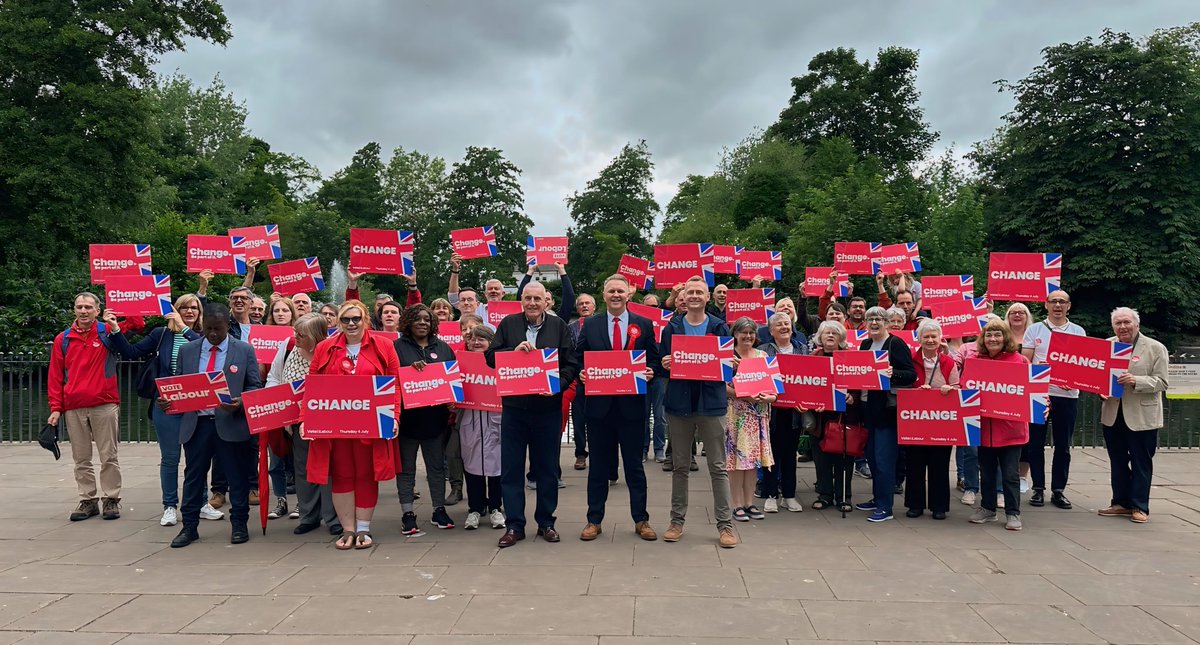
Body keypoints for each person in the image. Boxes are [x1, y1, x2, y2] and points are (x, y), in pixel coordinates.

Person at [105, 294, 225, 526]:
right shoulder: (161, 334)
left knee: (197, 459)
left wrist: (184, 329)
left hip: (195, 404)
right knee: (170, 458)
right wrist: (114, 329)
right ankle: (169, 505)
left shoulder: (203, 335)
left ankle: (200, 503)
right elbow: (131, 352)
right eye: (184, 308)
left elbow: (206, 352)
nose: (189, 311)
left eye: (194, 308)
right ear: (175, 310)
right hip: (166, 403)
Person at [485, 282, 579, 548]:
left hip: (547, 410)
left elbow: (571, 363)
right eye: (528, 298)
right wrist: (510, 353)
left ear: (546, 302)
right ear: (521, 300)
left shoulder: (559, 325)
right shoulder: (508, 324)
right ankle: (515, 525)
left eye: (538, 298)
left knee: (547, 469)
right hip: (514, 410)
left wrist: (558, 385)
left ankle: (546, 522)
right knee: (512, 470)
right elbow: (490, 357)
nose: (533, 303)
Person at [305, 300, 401, 550]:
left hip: (370, 422)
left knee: (367, 474)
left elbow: (395, 384)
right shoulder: (324, 348)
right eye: (345, 319)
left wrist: (394, 417)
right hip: (336, 423)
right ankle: (347, 529)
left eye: (356, 318)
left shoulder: (384, 345)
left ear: (365, 319)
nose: (351, 324)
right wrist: (308, 419)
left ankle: (364, 529)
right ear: (337, 321)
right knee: (341, 475)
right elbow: (313, 385)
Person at [169, 303, 263, 547]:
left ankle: (239, 524)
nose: (212, 334)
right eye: (208, 328)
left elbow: (254, 386)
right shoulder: (189, 350)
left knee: (237, 477)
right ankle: (189, 527)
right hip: (197, 424)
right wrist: (167, 400)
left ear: (226, 327)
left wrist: (240, 402)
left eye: (218, 329)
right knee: (193, 477)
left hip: (230, 422)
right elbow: (179, 384)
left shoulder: (243, 350)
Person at [577, 275, 661, 542]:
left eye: (620, 291)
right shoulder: (589, 325)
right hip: (599, 409)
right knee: (599, 468)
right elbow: (578, 357)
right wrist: (581, 372)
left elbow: (655, 360)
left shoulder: (644, 325)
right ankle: (593, 520)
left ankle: (641, 520)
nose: (615, 295)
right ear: (604, 295)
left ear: (629, 295)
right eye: (611, 290)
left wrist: (651, 372)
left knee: (634, 467)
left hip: (632, 408)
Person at [659, 277, 738, 548]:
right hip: (679, 404)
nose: (694, 296)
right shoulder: (672, 328)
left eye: (699, 292)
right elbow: (661, 362)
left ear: (707, 297)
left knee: (717, 467)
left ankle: (725, 526)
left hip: (711, 404)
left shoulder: (718, 327)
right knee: (680, 466)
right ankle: (676, 521)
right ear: (683, 296)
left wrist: (731, 364)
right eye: (689, 291)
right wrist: (665, 362)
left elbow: (726, 367)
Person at [47, 293, 125, 521]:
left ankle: (111, 498)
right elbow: (54, 376)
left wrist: (118, 311)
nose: (83, 311)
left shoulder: (107, 332)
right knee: (81, 458)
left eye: (88, 307)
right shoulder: (63, 339)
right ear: (74, 310)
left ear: (97, 310)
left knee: (108, 455)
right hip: (74, 405)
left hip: (104, 402)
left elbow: (137, 323)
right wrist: (55, 407)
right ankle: (88, 499)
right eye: (79, 307)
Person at [267, 313, 341, 536]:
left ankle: (333, 516)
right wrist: (277, 400)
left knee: (330, 470)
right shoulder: (288, 347)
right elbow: (274, 377)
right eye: (295, 333)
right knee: (303, 468)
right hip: (295, 424)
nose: (296, 337)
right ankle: (309, 515)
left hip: (328, 424)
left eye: (302, 335)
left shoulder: (333, 352)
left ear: (318, 336)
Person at [1099, 307, 1169, 524]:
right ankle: (1120, 502)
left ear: (1137, 324)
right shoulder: (1106, 345)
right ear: (1113, 326)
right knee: (1117, 460)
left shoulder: (1155, 348)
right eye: (1118, 323)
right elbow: (1097, 374)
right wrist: (1099, 389)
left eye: (1127, 322)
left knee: (1141, 462)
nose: (1123, 327)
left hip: (1142, 415)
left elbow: (1162, 382)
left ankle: (1140, 506)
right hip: (1113, 412)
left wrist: (1136, 380)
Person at [393, 304, 457, 534]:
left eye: (427, 320)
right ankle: (407, 513)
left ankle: (438, 509)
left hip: (436, 420)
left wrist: (452, 400)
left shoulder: (444, 348)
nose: (422, 323)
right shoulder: (396, 347)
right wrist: (408, 371)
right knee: (406, 469)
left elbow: (452, 380)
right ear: (408, 322)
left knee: (437, 468)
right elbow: (389, 379)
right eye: (418, 319)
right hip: (407, 420)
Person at [1021, 289, 1086, 509]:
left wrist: (1075, 380)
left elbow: (1082, 365)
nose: (1057, 305)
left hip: (1067, 395)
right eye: (1053, 301)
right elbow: (1025, 363)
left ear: (1069, 305)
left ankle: (1059, 490)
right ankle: (1038, 488)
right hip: (1040, 394)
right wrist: (1035, 371)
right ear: (1046, 305)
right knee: (1035, 444)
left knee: (1063, 445)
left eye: (1062, 302)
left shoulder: (1078, 331)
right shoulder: (1035, 329)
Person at [855, 306, 917, 522]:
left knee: (884, 460)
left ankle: (885, 507)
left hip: (888, 412)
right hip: (869, 409)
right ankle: (877, 497)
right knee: (872, 457)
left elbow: (911, 374)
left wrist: (893, 373)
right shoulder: (866, 344)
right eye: (870, 319)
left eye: (878, 319)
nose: (874, 323)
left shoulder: (896, 344)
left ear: (887, 322)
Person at [970, 319, 1029, 531]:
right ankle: (988, 508)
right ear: (983, 339)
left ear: (1006, 338)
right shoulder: (975, 360)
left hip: (1011, 429)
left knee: (1010, 474)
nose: (993, 339)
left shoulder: (1020, 361)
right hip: (984, 428)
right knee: (985, 473)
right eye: (989, 335)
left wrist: (1045, 404)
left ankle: (1013, 513)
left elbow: (1032, 391)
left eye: (997, 335)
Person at [904, 320, 959, 520]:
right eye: (925, 336)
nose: (930, 340)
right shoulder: (910, 359)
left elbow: (958, 387)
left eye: (933, 336)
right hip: (915, 420)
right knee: (915, 463)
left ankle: (939, 506)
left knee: (940, 463)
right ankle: (915, 504)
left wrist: (950, 389)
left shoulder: (948, 362)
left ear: (940, 339)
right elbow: (902, 385)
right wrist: (915, 392)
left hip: (941, 422)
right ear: (919, 339)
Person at [724, 316, 776, 522]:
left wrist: (769, 397)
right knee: (735, 462)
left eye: (751, 333)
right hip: (735, 415)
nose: (747, 336)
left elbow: (775, 388)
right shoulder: (728, 357)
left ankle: (749, 503)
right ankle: (736, 504)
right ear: (735, 334)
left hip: (758, 416)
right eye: (743, 332)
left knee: (752, 461)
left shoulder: (763, 355)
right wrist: (745, 395)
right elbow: (721, 387)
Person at [458, 325, 505, 530]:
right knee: (472, 467)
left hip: (495, 420)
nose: (476, 342)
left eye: (481, 339)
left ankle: (496, 508)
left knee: (497, 468)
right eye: (473, 339)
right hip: (471, 421)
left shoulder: (500, 363)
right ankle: (474, 509)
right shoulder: (460, 364)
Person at [757, 312, 806, 513]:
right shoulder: (762, 351)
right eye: (779, 324)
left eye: (787, 323)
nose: (784, 327)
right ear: (771, 331)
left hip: (794, 411)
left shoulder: (802, 349)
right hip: (770, 410)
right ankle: (770, 494)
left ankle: (789, 495)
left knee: (789, 454)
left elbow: (809, 379)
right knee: (770, 454)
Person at [808, 321, 858, 512]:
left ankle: (844, 497)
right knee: (822, 459)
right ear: (820, 337)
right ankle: (825, 494)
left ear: (841, 338)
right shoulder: (813, 358)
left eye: (834, 333)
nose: (830, 336)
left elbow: (861, 385)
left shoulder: (849, 359)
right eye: (826, 333)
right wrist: (813, 404)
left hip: (844, 416)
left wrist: (851, 398)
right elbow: (807, 386)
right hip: (820, 417)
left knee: (844, 459)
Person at [1003, 302, 1033, 491]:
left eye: (1021, 312)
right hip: (1004, 389)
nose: (1017, 315)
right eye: (1013, 312)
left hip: (1024, 390)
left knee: (1026, 435)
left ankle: (1022, 476)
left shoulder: (1033, 334)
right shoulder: (1001, 335)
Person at [567, 291, 596, 471]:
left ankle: (599, 452)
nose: (584, 306)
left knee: (599, 418)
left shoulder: (601, 323)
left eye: (588, 303)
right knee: (578, 418)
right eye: (581, 304)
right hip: (579, 377)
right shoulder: (571, 328)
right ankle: (580, 453)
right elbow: (570, 354)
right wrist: (579, 371)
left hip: (602, 377)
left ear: (594, 306)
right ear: (577, 308)